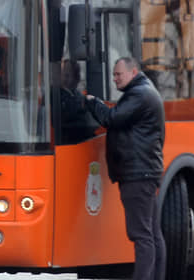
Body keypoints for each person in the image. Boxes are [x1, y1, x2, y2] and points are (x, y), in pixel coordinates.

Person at [85, 57, 166, 280]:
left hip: (137, 174)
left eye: (118, 74)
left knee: (141, 235)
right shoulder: (144, 91)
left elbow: (112, 118)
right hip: (145, 172)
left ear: (133, 72)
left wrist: (94, 102)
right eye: (114, 74)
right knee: (152, 233)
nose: (115, 79)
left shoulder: (139, 94)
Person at [59, 59, 98, 144]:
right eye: (66, 75)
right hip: (69, 140)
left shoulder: (77, 94)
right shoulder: (57, 96)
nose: (76, 78)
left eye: (77, 75)